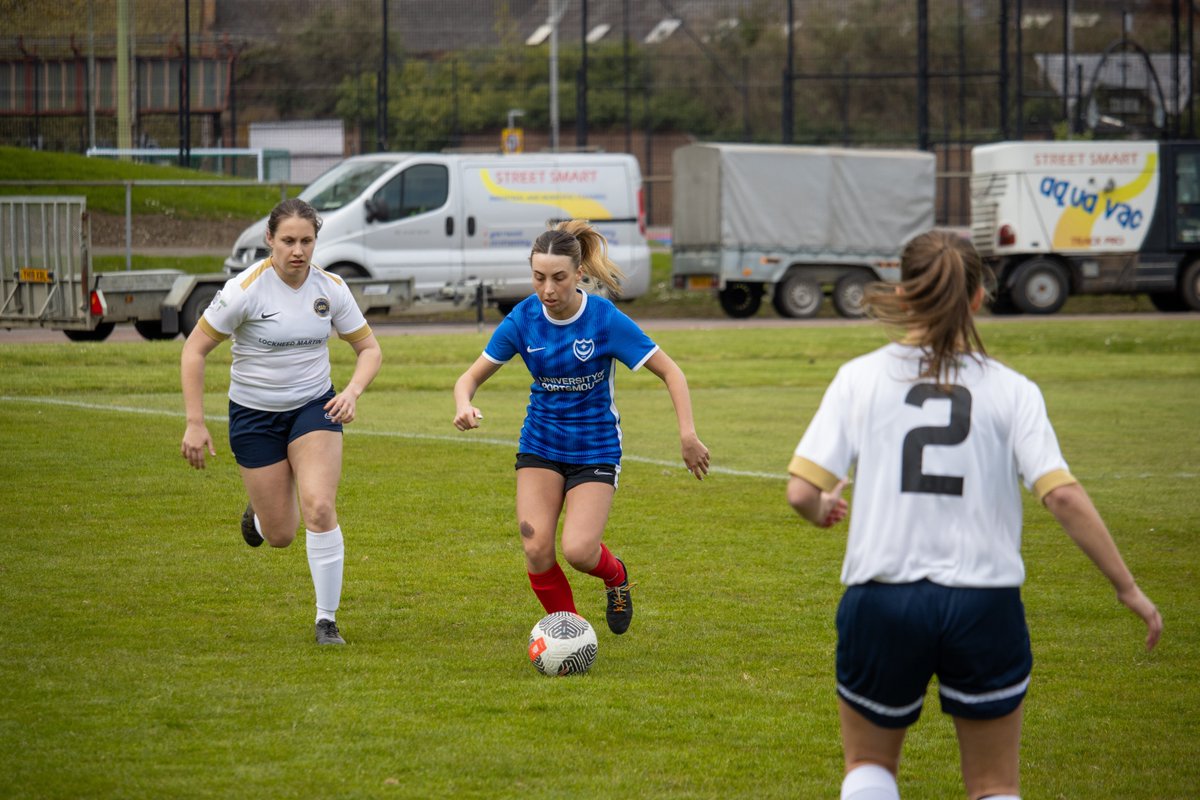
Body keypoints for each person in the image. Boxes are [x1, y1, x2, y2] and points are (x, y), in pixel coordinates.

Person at [785, 230, 1162, 800]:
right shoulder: (1014, 390)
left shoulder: (859, 378)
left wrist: (820, 509)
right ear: (980, 297)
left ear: (906, 294)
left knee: (869, 767)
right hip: (984, 604)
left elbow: (799, 492)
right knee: (993, 785)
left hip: (884, 599)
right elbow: (1061, 496)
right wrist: (1127, 588)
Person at [452, 219, 709, 635]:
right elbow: (469, 378)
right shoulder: (523, 319)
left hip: (595, 447)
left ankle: (616, 577)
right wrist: (464, 405)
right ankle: (570, 632)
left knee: (578, 550)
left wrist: (687, 434)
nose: (547, 290)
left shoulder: (604, 319)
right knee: (536, 546)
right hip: (540, 443)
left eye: (558, 278)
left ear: (579, 275)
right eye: (538, 278)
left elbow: (671, 372)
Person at [180, 198, 382, 646]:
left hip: (315, 407)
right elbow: (194, 351)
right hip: (253, 416)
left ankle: (325, 620)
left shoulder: (330, 288)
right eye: (288, 240)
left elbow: (369, 350)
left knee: (320, 508)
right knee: (280, 534)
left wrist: (350, 393)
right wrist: (195, 422)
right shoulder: (244, 290)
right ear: (269, 239)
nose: (298, 250)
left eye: (307, 241)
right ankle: (262, 511)